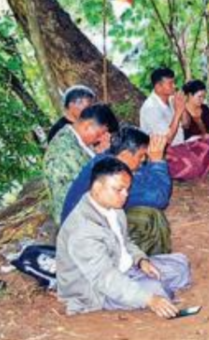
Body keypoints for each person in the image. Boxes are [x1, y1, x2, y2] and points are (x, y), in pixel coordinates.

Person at [57, 158, 190, 317]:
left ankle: (146, 287)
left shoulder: (114, 209)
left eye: (127, 189)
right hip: (97, 291)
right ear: (98, 187)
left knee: (181, 264)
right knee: (155, 289)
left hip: (124, 268)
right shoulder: (83, 230)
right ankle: (149, 290)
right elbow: (105, 278)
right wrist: (149, 299)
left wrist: (141, 260)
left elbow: (125, 242)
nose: (125, 195)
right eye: (119, 189)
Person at [61, 127, 173, 256]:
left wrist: (153, 162)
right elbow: (159, 198)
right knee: (150, 217)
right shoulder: (113, 175)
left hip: (88, 229)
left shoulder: (110, 160)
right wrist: (157, 162)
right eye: (141, 156)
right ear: (125, 154)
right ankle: (128, 263)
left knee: (149, 214)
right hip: (85, 242)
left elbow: (143, 178)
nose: (143, 160)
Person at [140, 67, 209, 181]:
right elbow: (167, 141)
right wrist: (177, 113)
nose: (175, 86)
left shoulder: (172, 100)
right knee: (192, 166)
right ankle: (163, 170)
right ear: (158, 87)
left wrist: (182, 108)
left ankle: (194, 171)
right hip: (163, 151)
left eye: (174, 82)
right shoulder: (150, 107)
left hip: (181, 145)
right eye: (170, 83)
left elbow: (186, 125)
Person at [45, 104, 119, 225]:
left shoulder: (76, 138)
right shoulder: (65, 148)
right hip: (74, 217)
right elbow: (89, 183)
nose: (100, 139)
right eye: (100, 134)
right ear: (88, 125)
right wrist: (103, 155)